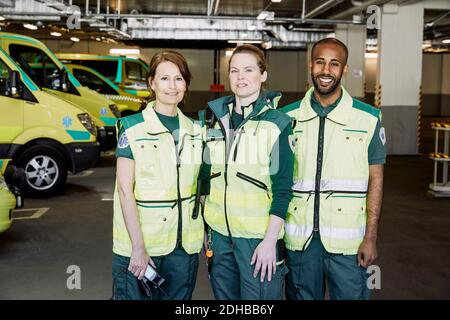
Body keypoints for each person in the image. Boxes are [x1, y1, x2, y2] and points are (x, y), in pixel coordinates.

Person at [280, 38, 386, 300]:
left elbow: (376, 179)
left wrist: (370, 236)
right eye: (320, 62)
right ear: (310, 65)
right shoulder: (286, 118)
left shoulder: (368, 118)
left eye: (334, 64)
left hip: (349, 245)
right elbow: (277, 181)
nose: (326, 70)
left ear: (345, 69)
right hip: (300, 241)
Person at [198, 44, 293, 300]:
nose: (241, 77)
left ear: (263, 75)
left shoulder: (277, 124)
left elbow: (283, 189)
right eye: (235, 71)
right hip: (219, 238)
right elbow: (206, 179)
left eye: (249, 70)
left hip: (257, 241)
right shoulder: (213, 120)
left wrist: (269, 242)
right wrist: (208, 230)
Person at [112, 51, 204, 300]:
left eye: (179, 79)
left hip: (183, 248)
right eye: (164, 78)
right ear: (151, 83)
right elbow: (124, 190)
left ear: (186, 84)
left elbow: (201, 188)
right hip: (141, 245)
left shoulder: (197, 131)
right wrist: (138, 248)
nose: (172, 86)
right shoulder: (131, 127)